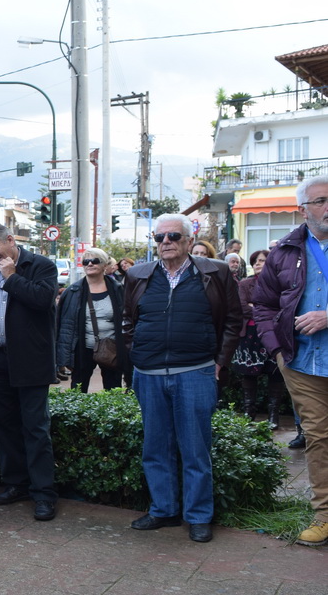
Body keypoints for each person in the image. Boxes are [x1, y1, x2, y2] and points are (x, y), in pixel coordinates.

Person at [122, 214, 240, 543]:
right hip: (148, 374)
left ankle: (199, 515)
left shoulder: (215, 272)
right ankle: (163, 509)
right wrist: (137, 354)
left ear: (189, 240)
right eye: (159, 237)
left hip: (196, 372)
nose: (166, 242)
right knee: (155, 447)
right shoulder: (137, 274)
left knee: (195, 448)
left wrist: (219, 362)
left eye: (173, 235)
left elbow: (233, 320)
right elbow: (128, 321)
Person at [252, 174, 328, 546]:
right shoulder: (284, 251)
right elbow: (263, 305)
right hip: (302, 363)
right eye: (321, 200)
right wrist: (277, 349)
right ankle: (325, 516)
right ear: (303, 209)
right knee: (318, 437)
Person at [0, 222, 59, 522]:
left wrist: (11, 277)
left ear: (10, 240)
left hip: (29, 360)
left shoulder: (41, 265)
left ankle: (44, 493)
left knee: (35, 428)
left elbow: (42, 300)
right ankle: (16, 484)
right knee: (4, 425)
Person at [56, 247, 128, 392]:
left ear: (104, 265)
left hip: (112, 348)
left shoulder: (118, 289)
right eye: (86, 261)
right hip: (82, 349)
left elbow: (127, 320)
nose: (90, 264)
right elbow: (64, 327)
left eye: (95, 261)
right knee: (78, 390)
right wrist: (64, 357)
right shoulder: (72, 292)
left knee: (113, 391)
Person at [231, 250, 286, 428]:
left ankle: (273, 416)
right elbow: (241, 306)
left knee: (275, 373)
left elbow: (282, 308)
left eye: (262, 261)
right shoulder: (245, 284)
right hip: (249, 334)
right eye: (255, 261)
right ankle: (249, 412)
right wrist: (265, 310)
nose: (257, 264)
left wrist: (256, 307)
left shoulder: (279, 284)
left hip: (273, 333)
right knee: (248, 374)